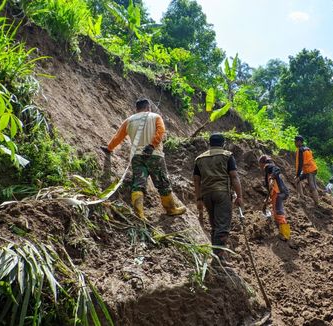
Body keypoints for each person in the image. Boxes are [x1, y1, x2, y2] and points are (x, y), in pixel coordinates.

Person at [101, 98, 186, 219]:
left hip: (137, 157)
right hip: (154, 155)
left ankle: (139, 214)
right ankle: (171, 209)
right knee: (162, 183)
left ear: (137, 109)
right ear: (148, 107)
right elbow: (161, 131)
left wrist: (109, 148)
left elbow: (118, 137)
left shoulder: (129, 120)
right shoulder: (156, 117)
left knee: (138, 184)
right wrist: (152, 145)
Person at [193, 133, 243, 264]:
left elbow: (196, 180)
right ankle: (218, 258)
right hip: (222, 193)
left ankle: (215, 255)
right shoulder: (227, 156)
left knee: (214, 225)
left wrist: (198, 199)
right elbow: (234, 177)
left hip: (207, 195)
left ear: (210, 143)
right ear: (223, 143)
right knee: (222, 226)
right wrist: (240, 196)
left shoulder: (200, 158)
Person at [258, 155, 291, 241]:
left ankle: (285, 235)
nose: (260, 167)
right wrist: (268, 198)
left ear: (262, 163)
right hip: (278, 193)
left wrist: (272, 178)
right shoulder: (268, 171)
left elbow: (277, 169)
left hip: (278, 193)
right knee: (277, 212)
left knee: (278, 212)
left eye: (260, 164)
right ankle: (282, 231)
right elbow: (270, 187)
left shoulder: (267, 166)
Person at [294, 135, 319, 204]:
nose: (294, 143)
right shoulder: (308, 148)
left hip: (309, 170)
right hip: (311, 169)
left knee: (312, 186)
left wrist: (297, 174)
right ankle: (302, 197)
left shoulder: (300, 150)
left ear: (299, 142)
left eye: (295, 141)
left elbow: (300, 164)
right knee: (297, 180)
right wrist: (298, 175)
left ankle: (317, 203)